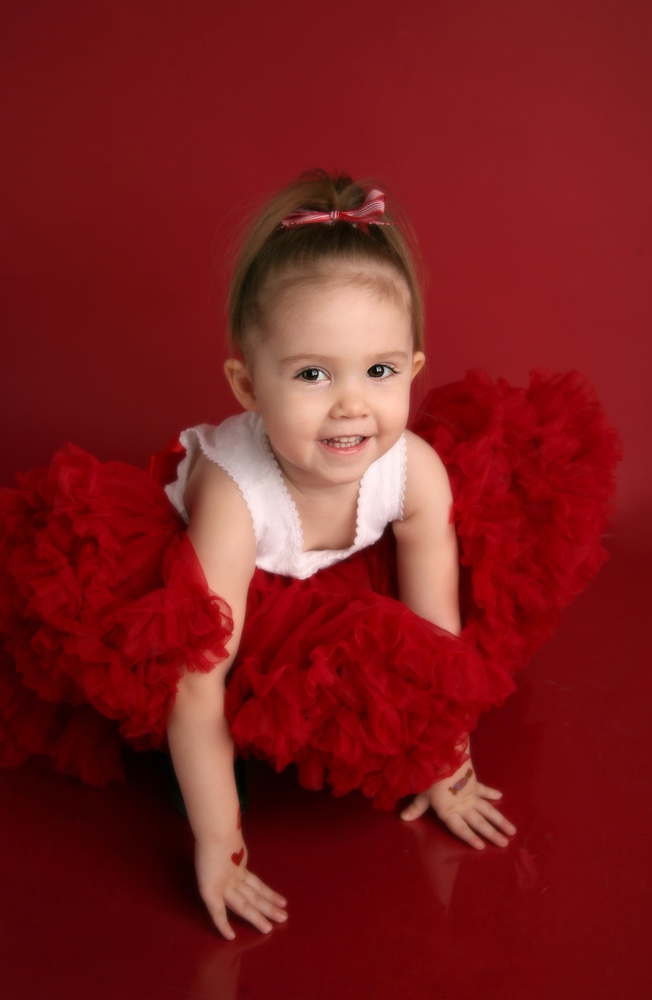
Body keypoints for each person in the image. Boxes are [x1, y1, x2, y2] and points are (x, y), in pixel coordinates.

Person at [0, 172, 620, 940]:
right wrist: (218, 843)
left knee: (402, 638)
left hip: (332, 566)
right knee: (174, 692)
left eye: (380, 371)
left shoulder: (413, 469)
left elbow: (437, 639)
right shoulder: (233, 502)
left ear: (414, 371)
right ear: (248, 385)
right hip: (227, 586)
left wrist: (447, 761)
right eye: (312, 374)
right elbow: (197, 689)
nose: (352, 404)